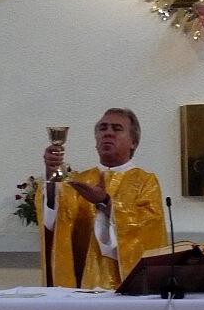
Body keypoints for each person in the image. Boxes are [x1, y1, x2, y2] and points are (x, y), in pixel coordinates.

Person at [36, 108, 167, 290]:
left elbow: (149, 231)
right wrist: (52, 176)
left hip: (126, 289)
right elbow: (56, 223)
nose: (108, 133)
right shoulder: (80, 181)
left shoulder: (145, 181)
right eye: (103, 128)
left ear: (133, 142)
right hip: (82, 288)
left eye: (117, 129)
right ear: (96, 140)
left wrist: (106, 203)